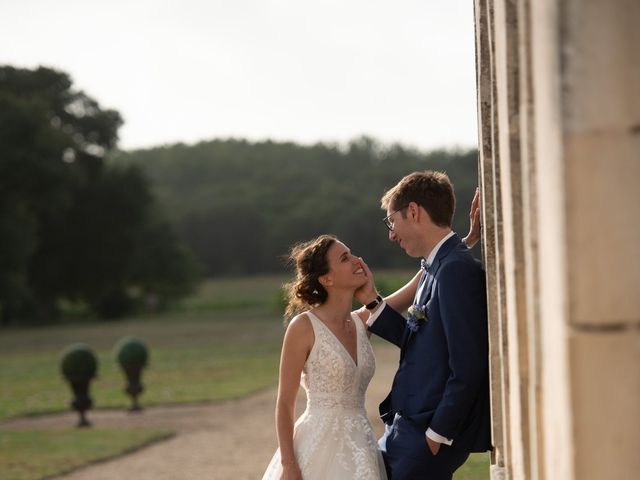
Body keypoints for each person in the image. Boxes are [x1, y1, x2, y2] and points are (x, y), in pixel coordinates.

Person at [261, 187, 481, 480]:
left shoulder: (362, 320)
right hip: (317, 446)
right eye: (344, 259)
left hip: (362, 447)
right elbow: (284, 404)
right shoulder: (303, 327)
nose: (356, 260)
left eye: (351, 253)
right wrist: (289, 463)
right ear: (326, 279)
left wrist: (467, 240)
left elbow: (429, 273)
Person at [355, 171, 490, 479]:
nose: (391, 234)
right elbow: (420, 340)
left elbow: (468, 364)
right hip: (405, 429)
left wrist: (438, 432)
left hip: (426, 436)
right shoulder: (437, 265)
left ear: (413, 211)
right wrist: (374, 303)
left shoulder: (454, 270)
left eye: (392, 222)